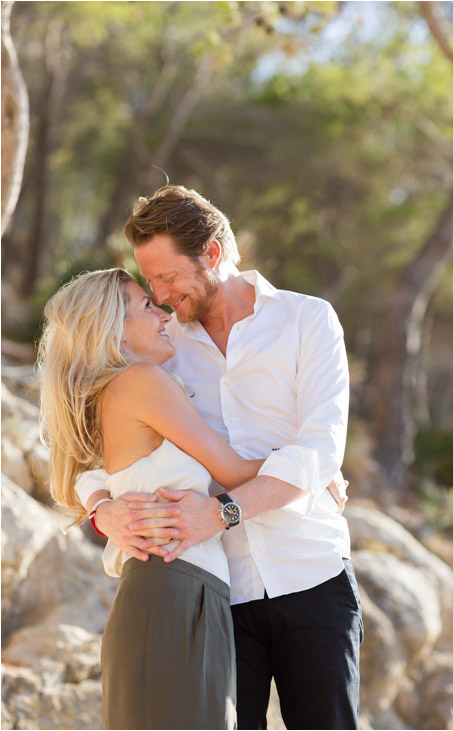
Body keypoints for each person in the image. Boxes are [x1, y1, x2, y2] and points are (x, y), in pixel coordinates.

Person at [74, 185, 362, 730]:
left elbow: (322, 447)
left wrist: (225, 510)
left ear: (211, 253)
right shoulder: (161, 346)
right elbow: (83, 442)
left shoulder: (309, 321)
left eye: (167, 276)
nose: (158, 296)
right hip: (215, 595)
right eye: (150, 282)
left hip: (313, 576)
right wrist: (101, 508)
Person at [39, 268, 263, 729]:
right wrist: (313, 465)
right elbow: (235, 472)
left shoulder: (120, 391)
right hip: (174, 591)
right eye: (146, 305)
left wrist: (101, 507)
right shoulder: (141, 380)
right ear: (113, 333)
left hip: (178, 590)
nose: (164, 314)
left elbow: (86, 471)